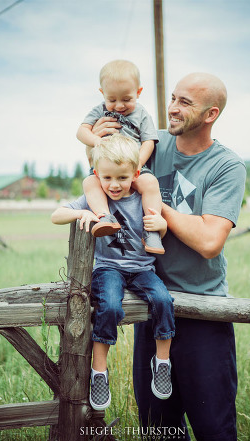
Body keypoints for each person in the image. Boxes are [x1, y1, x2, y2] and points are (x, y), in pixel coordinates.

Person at [92, 72, 245, 439]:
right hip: (151, 304)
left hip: (202, 309)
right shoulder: (150, 145)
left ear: (211, 114)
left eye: (184, 103)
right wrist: (93, 137)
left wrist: (159, 206)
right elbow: (103, 172)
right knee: (159, 429)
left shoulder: (226, 166)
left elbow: (210, 241)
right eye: (173, 98)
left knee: (214, 428)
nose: (172, 108)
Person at [50, 134, 175, 411]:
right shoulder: (93, 199)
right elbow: (55, 215)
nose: (114, 185)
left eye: (122, 177)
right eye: (107, 178)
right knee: (108, 305)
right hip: (108, 269)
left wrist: (161, 226)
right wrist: (79, 214)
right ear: (97, 175)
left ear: (135, 173)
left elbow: (161, 229)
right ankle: (100, 371)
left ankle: (162, 361)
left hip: (142, 268)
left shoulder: (143, 197)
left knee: (163, 300)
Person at [76, 59, 165, 254]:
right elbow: (81, 132)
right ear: (102, 93)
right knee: (91, 183)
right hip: (105, 166)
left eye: (126, 99)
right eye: (112, 99)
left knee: (149, 183)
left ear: (138, 92)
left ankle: (152, 229)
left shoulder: (142, 113)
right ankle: (104, 217)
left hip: (133, 166)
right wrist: (96, 141)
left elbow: (149, 141)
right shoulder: (100, 109)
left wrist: (138, 164)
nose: (119, 105)